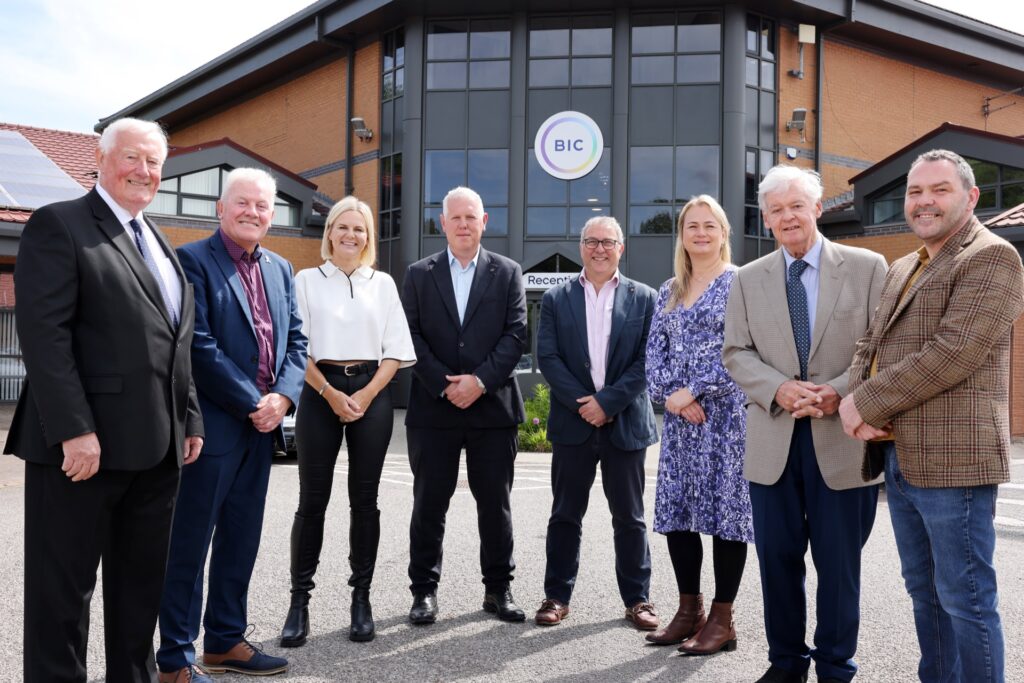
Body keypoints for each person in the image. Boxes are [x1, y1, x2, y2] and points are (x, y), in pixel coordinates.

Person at [4, 117, 203, 683]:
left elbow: (172, 339)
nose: (145, 171)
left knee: (138, 598)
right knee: (62, 601)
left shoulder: (159, 240)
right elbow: (44, 334)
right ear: (102, 158)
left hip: (157, 451)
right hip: (82, 452)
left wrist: (189, 418)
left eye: (154, 163)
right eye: (133, 158)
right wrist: (73, 428)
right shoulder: (59, 225)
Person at [840, 150, 1023, 683]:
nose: (923, 202)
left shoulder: (992, 256)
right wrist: (859, 403)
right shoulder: (904, 264)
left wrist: (864, 403)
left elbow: (954, 352)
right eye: (915, 192)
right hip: (899, 455)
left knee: (966, 598)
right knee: (924, 593)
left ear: (970, 198)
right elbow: (868, 346)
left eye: (938, 190)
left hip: (956, 463)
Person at [722, 165, 887, 683]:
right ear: (766, 219)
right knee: (777, 562)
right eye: (776, 209)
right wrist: (778, 388)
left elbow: (880, 346)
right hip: (773, 441)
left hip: (842, 440)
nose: (787, 216)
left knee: (839, 568)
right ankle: (786, 663)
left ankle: (836, 667)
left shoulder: (868, 266)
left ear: (818, 209)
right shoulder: (748, 278)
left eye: (797, 205)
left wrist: (837, 389)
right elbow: (735, 352)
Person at [156, 168, 307, 681]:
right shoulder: (193, 261)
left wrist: (284, 397)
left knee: (241, 539)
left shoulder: (283, 268)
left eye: (263, 206)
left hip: (263, 431)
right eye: (242, 203)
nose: (253, 212)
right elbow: (197, 344)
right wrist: (254, 402)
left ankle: (224, 640)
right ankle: (175, 657)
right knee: (190, 544)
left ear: (273, 215)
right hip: (214, 429)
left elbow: (299, 343)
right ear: (221, 209)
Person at [279, 196, 415, 646]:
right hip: (320, 392)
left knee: (365, 501)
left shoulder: (384, 284)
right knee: (311, 501)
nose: (351, 236)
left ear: (368, 237)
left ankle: (361, 599)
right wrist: (332, 393)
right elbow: (298, 350)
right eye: (343, 228)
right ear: (330, 233)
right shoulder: (306, 280)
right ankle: (299, 604)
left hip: (371, 391)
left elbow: (395, 350)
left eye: (360, 229)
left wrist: (367, 393)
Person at [401, 186, 527, 625]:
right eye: (455, 217)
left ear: (484, 221)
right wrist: (444, 384)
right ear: (442, 224)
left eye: (471, 217)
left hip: (492, 410)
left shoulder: (508, 272)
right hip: (434, 410)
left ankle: (498, 589)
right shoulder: (419, 274)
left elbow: (516, 335)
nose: (463, 224)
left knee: (495, 505)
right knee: (429, 505)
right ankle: (424, 592)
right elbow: (410, 336)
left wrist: (479, 382)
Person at [534, 216, 660, 631]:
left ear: (621, 248)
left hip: (624, 424)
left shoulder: (645, 298)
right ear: (581, 246)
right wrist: (583, 404)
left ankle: (638, 600)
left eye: (608, 242)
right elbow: (548, 358)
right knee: (565, 515)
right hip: (574, 425)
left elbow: (647, 361)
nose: (599, 249)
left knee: (630, 517)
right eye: (592, 241)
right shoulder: (555, 298)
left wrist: (607, 402)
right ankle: (556, 596)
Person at [644, 195, 750, 653]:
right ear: (682, 235)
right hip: (680, 424)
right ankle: (690, 611)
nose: (701, 233)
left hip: (725, 420)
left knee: (728, 519)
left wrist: (698, 390)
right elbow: (653, 352)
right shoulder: (669, 288)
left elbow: (749, 349)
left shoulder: (741, 284)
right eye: (692, 226)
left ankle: (723, 620)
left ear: (724, 233)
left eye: (710, 225)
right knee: (679, 516)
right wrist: (671, 396)